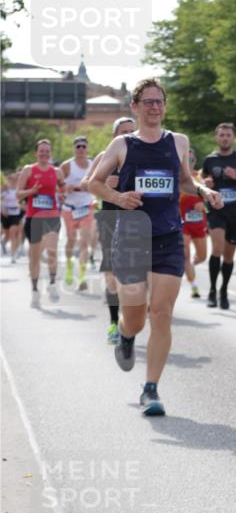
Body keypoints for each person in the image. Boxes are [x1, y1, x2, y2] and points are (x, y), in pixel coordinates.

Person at [88, 79, 222, 416]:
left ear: (165, 105)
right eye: (147, 102)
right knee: (135, 315)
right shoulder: (122, 144)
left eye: (159, 101)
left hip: (168, 237)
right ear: (135, 106)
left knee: (161, 313)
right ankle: (125, 334)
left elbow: (185, 182)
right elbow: (93, 183)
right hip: (131, 236)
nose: (154, 107)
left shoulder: (178, 141)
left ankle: (151, 389)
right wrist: (120, 197)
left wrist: (205, 193)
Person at [83, 116, 136, 343]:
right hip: (110, 217)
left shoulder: (143, 157)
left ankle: (130, 317)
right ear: (115, 136)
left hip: (136, 219)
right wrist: (105, 185)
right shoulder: (106, 157)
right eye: (124, 132)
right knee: (112, 272)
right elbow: (87, 182)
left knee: (135, 274)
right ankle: (115, 323)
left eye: (132, 132)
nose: (128, 136)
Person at [200, 123, 236, 309]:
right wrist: (205, 182)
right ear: (216, 137)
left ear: (233, 138)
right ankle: (212, 291)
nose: (225, 138)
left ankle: (223, 290)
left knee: (229, 256)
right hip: (216, 211)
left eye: (228, 135)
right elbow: (202, 179)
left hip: (235, 214)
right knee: (216, 248)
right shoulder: (210, 160)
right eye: (222, 135)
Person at [16, 139, 64, 308]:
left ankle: (51, 284)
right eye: (41, 151)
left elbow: (62, 188)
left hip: (52, 217)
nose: (44, 153)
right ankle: (35, 290)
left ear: (50, 153)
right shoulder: (29, 170)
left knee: (52, 252)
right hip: (34, 218)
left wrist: (64, 193)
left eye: (47, 151)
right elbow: (18, 194)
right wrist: (32, 191)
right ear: (36, 153)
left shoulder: (57, 172)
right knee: (35, 257)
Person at [60, 135, 96, 291]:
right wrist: (64, 189)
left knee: (84, 243)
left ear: (87, 149)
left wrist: (95, 197)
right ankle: (69, 268)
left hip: (86, 207)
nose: (81, 149)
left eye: (83, 146)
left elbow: (98, 182)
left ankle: (82, 276)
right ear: (74, 149)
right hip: (69, 208)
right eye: (78, 146)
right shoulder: (67, 166)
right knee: (71, 240)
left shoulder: (93, 164)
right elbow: (58, 187)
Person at [179, 148, 208, 298]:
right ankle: (194, 285)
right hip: (182, 221)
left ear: (194, 161)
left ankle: (188, 268)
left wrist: (204, 205)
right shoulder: (177, 177)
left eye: (191, 160)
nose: (188, 163)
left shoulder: (199, 177)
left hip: (198, 222)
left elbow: (209, 199)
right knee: (186, 255)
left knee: (202, 256)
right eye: (185, 160)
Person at [1, 171, 24, 263]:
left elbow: (23, 201)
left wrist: (22, 205)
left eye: (15, 179)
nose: (13, 181)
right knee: (7, 234)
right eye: (11, 179)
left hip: (16, 213)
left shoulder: (20, 190)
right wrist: (2, 208)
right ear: (7, 180)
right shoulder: (4, 189)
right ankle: (3, 242)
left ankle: (13, 255)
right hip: (5, 213)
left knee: (13, 232)